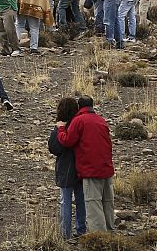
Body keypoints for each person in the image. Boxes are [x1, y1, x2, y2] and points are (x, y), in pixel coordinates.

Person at [56, 96, 115, 233]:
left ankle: (100, 238)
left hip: (91, 170)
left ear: (79, 106)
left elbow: (67, 141)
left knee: (93, 205)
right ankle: (110, 233)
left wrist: (60, 129)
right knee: (107, 203)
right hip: (106, 168)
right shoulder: (101, 121)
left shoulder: (79, 120)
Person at [48, 97, 86, 239]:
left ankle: (65, 233)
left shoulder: (62, 127)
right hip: (82, 167)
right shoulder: (80, 124)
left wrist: (56, 130)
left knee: (65, 201)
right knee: (81, 200)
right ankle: (81, 229)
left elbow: (54, 148)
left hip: (66, 168)